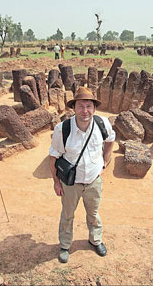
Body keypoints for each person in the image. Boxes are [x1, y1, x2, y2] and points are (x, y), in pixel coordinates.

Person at [49, 87, 115, 263]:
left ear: (94, 108)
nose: (85, 111)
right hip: (70, 184)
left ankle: (96, 240)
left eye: (88, 106)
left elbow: (110, 141)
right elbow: (53, 157)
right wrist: (56, 182)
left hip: (94, 181)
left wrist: (105, 162)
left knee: (93, 214)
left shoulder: (103, 124)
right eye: (80, 106)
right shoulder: (62, 129)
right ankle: (64, 245)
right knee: (67, 215)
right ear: (73, 108)